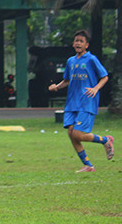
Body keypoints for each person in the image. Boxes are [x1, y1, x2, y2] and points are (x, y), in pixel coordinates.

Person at [48, 30, 113, 172]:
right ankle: (88, 165)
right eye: (76, 40)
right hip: (72, 102)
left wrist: (96, 89)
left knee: (78, 134)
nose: (78, 43)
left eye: (81, 41)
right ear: (73, 43)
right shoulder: (71, 61)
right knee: (71, 133)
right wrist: (57, 87)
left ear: (86, 45)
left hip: (86, 100)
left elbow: (105, 76)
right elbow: (67, 80)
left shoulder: (91, 59)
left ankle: (105, 140)